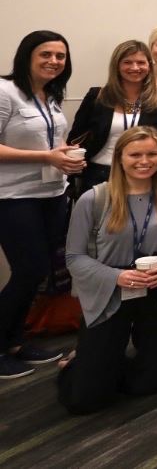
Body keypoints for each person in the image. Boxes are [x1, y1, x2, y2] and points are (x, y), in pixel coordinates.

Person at [58, 126, 157, 413]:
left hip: (156, 287)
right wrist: (117, 276)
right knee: (85, 401)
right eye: (135, 155)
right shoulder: (93, 199)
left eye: (152, 154)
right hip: (110, 288)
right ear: (119, 158)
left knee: (148, 385)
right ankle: (81, 363)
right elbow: (75, 257)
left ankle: (111, 363)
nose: (145, 161)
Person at [0, 31, 79, 378]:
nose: (54, 61)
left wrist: (64, 155)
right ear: (27, 56)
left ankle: (16, 341)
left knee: (40, 271)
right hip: (13, 197)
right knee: (28, 270)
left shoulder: (51, 95)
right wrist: (46, 156)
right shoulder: (5, 91)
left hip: (51, 194)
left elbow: (50, 140)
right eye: (45, 54)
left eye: (60, 56)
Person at [69, 40, 157, 195]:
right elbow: (75, 138)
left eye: (141, 62)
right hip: (99, 174)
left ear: (149, 65)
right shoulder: (98, 96)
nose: (135, 67)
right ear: (117, 65)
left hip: (143, 174)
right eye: (127, 62)